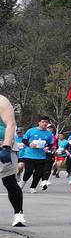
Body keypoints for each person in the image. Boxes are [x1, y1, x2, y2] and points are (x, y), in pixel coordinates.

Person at [1, 94, 26, 227]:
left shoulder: (1, 100)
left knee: (9, 182)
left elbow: (11, 124)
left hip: (3, 146)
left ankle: (18, 213)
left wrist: (6, 146)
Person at [19, 116, 55, 193]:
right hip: (29, 155)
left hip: (41, 156)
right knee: (28, 171)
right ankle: (23, 182)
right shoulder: (31, 131)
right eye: (43, 122)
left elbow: (50, 144)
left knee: (38, 173)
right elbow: (24, 140)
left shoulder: (49, 134)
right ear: (39, 122)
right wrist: (29, 144)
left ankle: (33, 187)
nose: (45, 123)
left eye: (46, 122)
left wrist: (47, 148)